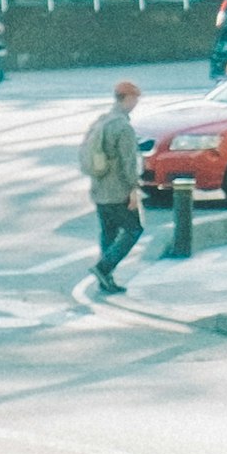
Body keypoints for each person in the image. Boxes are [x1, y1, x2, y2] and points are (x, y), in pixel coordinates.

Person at [79, 77, 147, 303]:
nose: (136, 103)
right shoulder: (123, 127)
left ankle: (105, 279)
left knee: (108, 233)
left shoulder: (102, 121)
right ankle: (103, 267)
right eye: (135, 98)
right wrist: (134, 190)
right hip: (117, 191)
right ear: (126, 99)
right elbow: (128, 164)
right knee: (133, 229)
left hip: (99, 189)